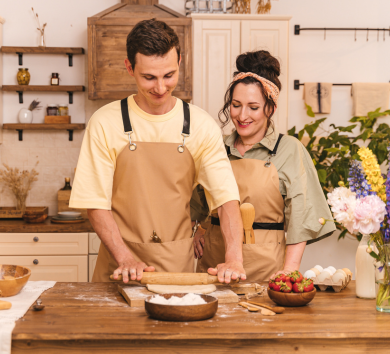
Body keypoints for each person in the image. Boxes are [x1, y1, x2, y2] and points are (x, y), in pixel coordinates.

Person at [70, 19, 247, 284]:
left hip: (177, 266)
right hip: (119, 266)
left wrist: (234, 257)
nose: (161, 88)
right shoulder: (105, 122)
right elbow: (95, 203)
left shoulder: (200, 125)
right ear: (130, 67)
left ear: (179, 63)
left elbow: (225, 200)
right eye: (149, 77)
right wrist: (125, 257)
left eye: (169, 75)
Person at [192, 50, 335, 282]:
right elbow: (198, 203)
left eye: (253, 107)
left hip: (267, 273)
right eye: (236, 105)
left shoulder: (289, 150)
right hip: (213, 271)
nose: (242, 115)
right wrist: (198, 229)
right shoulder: (217, 147)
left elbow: (302, 215)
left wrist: (289, 269)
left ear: (271, 108)